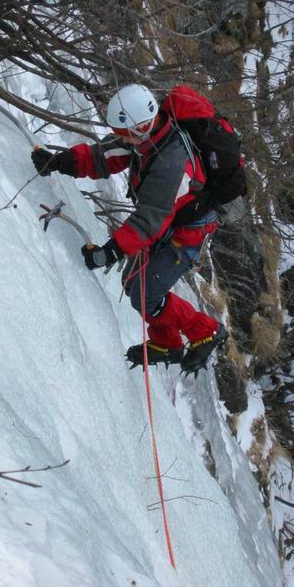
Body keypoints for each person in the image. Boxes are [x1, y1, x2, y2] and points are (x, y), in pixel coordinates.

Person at [31, 83, 227, 373]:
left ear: (142, 126)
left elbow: (149, 219)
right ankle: (168, 343)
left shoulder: (172, 164)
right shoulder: (146, 138)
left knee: (145, 292)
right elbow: (102, 157)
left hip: (186, 232)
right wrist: (59, 162)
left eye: (124, 133)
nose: (121, 138)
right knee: (135, 281)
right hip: (169, 221)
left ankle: (207, 331)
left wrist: (110, 252)